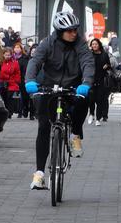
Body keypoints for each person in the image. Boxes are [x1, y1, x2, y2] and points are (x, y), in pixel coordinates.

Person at [25, 11, 94, 190]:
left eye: (75, 30)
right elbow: (35, 61)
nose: (74, 33)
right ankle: (39, 174)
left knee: (83, 100)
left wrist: (86, 83)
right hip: (49, 86)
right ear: (60, 31)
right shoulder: (48, 43)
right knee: (43, 127)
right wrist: (30, 81)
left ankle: (75, 134)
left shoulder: (80, 44)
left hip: (73, 85)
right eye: (69, 31)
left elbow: (87, 62)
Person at [88, 38, 111, 126]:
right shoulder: (89, 55)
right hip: (91, 80)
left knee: (100, 100)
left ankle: (98, 119)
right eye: (93, 44)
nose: (94, 46)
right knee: (91, 99)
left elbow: (109, 66)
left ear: (99, 45)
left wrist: (107, 66)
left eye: (96, 44)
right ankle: (91, 114)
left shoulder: (104, 55)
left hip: (101, 80)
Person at [0, 47, 21, 118]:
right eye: (6, 55)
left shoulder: (15, 63)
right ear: (3, 55)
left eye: (9, 55)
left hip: (12, 83)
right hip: (3, 82)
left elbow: (17, 73)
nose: (7, 56)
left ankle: (9, 113)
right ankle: (6, 112)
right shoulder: (1, 62)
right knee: (4, 98)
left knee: (9, 98)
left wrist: (16, 81)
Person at [13, 42, 29, 118]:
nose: (17, 49)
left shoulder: (24, 57)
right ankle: (17, 111)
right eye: (15, 47)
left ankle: (24, 110)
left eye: (18, 47)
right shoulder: (12, 57)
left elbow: (25, 69)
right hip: (13, 79)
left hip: (22, 79)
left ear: (21, 49)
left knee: (23, 96)